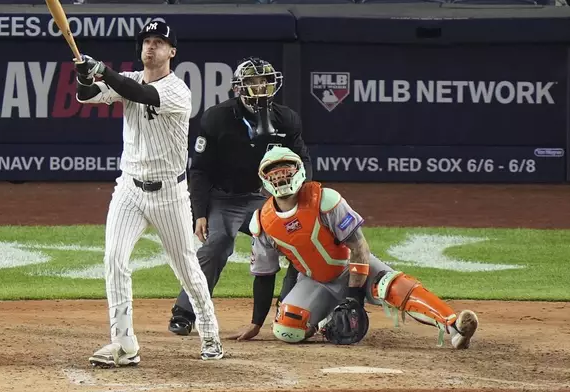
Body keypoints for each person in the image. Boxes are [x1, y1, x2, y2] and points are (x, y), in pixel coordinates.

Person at [73, 21, 224, 367]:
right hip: (129, 188)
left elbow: (141, 94)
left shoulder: (177, 91)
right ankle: (124, 345)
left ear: (172, 52)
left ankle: (210, 333)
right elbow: (88, 96)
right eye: (147, 41)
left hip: (169, 193)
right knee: (114, 258)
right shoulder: (129, 79)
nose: (151, 47)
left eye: (159, 42)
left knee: (186, 265)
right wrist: (86, 77)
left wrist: (102, 70)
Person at [230, 146, 479, 350]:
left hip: (351, 267)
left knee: (392, 285)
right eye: (274, 174)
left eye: (285, 171)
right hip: (316, 281)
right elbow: (264, 275)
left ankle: (454, 325)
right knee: (287, 330)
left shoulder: (325, 200)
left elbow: (359, 246)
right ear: (265, 180)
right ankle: (327, 321)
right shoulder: (262, 221)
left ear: (298, 171)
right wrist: (255, 323)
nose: (280, 178)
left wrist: (354, 298)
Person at [167, 57, 310, 336]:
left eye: (265, 81)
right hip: (222, 197)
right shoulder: (216, 117)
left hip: (262, 197)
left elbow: (302, 160)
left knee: (298, 243)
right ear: (238, 88)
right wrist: (200, 213)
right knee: (216, 245)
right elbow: (199, 170)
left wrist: (301, 204)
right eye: (253, 82)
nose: (260, 87)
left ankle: (291, 308)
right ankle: (185, 312)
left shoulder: (287, 118)